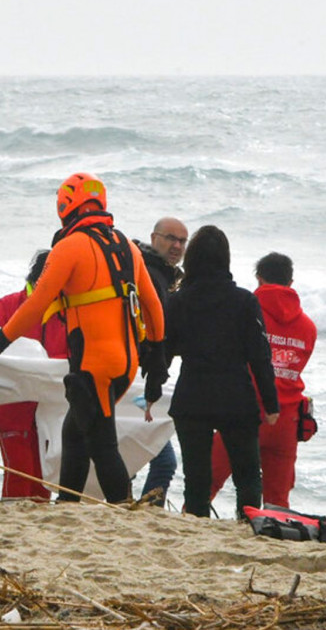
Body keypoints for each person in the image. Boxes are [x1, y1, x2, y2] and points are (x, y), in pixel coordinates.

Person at [0, 173, 165, 504]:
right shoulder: (127, 247)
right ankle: (68, 504)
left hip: (94, 365)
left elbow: (36, 304)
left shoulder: (69, 247)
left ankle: (123, 508)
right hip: (126, 363)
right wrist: (157, 356)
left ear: (66, 206)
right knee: (74, 433)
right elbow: (153, 306)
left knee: (102, 443)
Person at [162, 226, 279, 518]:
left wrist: (152, 389)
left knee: (196, 479)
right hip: (235, 397)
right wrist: (271, 403)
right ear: (225, 259)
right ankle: (248, 526)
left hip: (192, 396)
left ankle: (196, 528)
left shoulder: (178, 300)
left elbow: (164, 349)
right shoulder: (244, 301)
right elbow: (259, 356)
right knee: (248, 476)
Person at [208, 252, 317, 508]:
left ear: (259, 279)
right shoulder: (308, 327)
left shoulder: (244, 311)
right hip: (286, 419)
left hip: (244, 413)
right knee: (277, 500)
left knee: (207, 482)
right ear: (291, 282)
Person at [0, 250, 67, 501]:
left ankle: (33, 531)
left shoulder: (67, 312)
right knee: (20, 473)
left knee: (43, 481)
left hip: (49, 411)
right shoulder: (8, 306)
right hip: (10, 408)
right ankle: (10, 522)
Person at [132, 217, 188, 506]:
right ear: (154, 238)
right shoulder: (151, 274)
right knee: (163, 461)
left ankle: (130, 510)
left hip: (137, 379)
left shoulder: (160, 274)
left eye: (182, 241)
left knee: (131, 452)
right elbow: (155, 336)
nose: (177, 246)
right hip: (134, 380)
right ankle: (141, 512)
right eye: (170, 238)